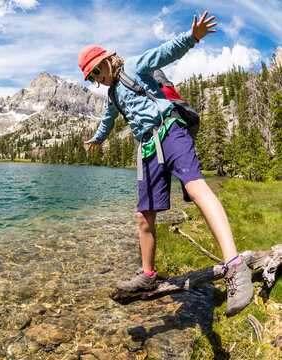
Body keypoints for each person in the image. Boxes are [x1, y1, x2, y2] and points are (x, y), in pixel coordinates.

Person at [77, 12, 254, 317]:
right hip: (147, 149)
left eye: (96, 70)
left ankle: (235, 266)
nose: (97, 77)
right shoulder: (112, 95)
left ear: (107, 60)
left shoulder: (133, 65)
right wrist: (97, 140)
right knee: (144, 217)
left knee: (197, 189)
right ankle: (147, 276)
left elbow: (165, 51)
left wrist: (193, 36)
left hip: (169, 129)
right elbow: (107, 122)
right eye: (91, 77)